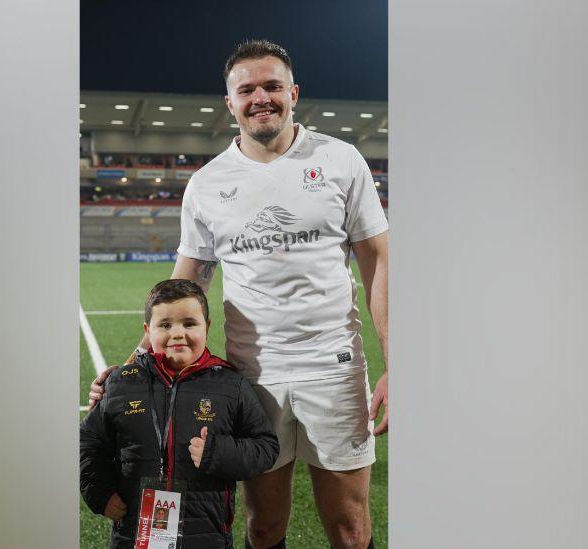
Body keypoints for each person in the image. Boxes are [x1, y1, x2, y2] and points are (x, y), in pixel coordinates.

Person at [90, 39, 389, 549]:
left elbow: (378, 261)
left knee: (349, 526)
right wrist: (135, 362)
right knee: (264, 525)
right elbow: (186, 286)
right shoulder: (207, 183)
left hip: (335, 368)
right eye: (246, 89)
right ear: (230, 102)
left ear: (293, 93)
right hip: (251, 379)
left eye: (272, 86)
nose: (261, 97)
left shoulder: (341, 160)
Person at [80, 279, 279, 549]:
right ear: (147, 331)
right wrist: (99, 492)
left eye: (189, 323)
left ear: (206, 327)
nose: (177, 334)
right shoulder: (122, 384)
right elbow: (89, 441)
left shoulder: (231, 385)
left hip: (206, 535)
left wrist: (218, 452)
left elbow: (265, 447)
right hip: (134, 533)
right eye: (165, 325)